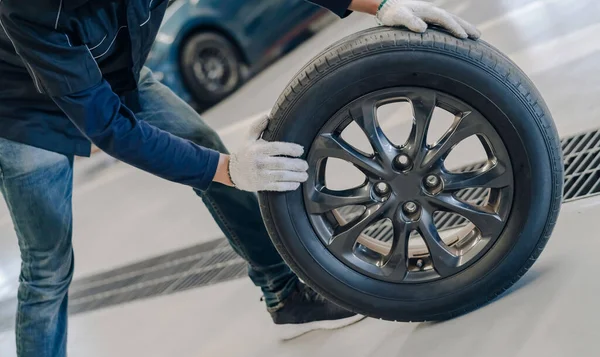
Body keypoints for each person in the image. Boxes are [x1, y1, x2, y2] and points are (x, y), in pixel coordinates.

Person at [0, 0, 479, 355]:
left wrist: (378, 4)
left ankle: (287, 296)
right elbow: (107, 126)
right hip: (23, 110)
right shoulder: (30, 7)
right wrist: (232, 170)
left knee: (199, 144)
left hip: (114, 72)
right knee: (49, 264)